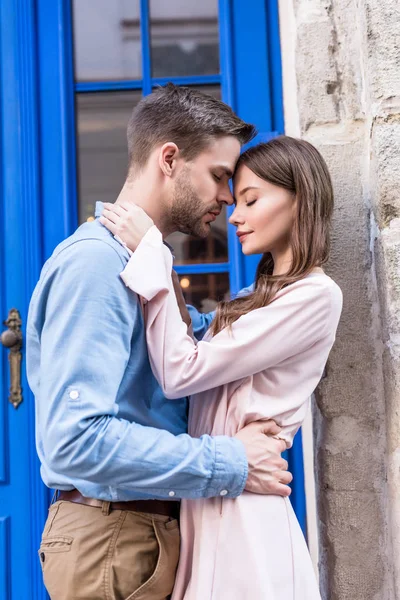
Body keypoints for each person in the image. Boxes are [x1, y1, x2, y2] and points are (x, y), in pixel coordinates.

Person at [26, 84, 292, 600]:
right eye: (219, 176)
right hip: (111, 544)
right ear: (169, 158)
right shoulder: (96, 265)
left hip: (143, 537)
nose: (227, 197)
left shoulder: (147, 265)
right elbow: (76, 440)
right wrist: (233, 462)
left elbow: (198, 357)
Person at [100, 135, 343, 600]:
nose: (234, 215)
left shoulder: (315, 296)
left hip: (244, 514)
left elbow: (180, 371)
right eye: (236, 200)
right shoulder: (258, 300)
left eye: (251, 200)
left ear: (299, 201)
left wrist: (154, 252)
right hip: (212, 494)